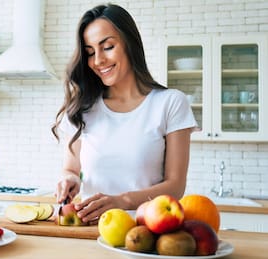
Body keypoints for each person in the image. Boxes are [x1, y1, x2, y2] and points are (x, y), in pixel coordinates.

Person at [51, 4, 197, 224]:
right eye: (90, 52)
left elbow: (175, 186)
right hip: (89, 231)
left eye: (107, 46)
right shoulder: (83, 107)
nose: (98, 60)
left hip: (145, 233)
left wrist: (122, 201)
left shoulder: (170, 103)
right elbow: (71, 168)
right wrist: (68, 180)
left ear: (130, 44)